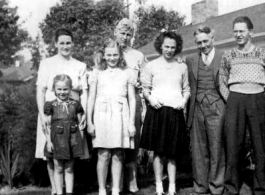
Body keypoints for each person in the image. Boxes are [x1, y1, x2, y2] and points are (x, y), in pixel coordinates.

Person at [35, 28, 89, 195]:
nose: (65, 46)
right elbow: (41, 91)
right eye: (62, 43)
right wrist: (42, 115)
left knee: (70, 152)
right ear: (56, 44)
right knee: (51, 154)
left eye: (68, 43)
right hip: (50, 113)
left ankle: (68, 190)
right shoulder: (46, 63)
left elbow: (84, 92)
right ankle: (55, 190)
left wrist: (84, 114)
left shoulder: (80, 65)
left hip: (73, 114)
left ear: (72, 43)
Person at [140, 31, 190, 195]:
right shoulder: (151, 66)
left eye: (173, 47)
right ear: (160, 46)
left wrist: (183, 101)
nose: (169, 50)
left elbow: (186, 89)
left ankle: (172, 187)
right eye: (166, 46)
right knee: (158, 152)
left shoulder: (181, 66)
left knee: (172, 152)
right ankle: (159, 186)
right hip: (157, 111)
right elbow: (145, 89)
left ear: (177, 48)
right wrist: (151, 99)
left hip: (174, 111)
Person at [219, 16, 265, 195]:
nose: (238, 34)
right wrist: (230, 98)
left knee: (260, 146)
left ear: (251, 32)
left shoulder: (262, 53)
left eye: (242, 31)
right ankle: (231, 187)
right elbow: (222, 79)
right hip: (235, 100)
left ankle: (261, 188)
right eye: (235, 31)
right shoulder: (228, 55)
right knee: (233, 144)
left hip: (258, 99)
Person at [87, 39, 136, 195]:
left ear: (120, 55)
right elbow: (91, 98)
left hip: (121, 115)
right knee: (103, 154)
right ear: (104, 55)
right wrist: (89, 121)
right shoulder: (97, 72)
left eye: (115, 55)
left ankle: (115, 189)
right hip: (102, 115)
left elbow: (132, 99)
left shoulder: (127, 72)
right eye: (109, 55)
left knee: (118, 154)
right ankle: (102, 189)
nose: (112, 58)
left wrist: (131, 123)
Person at [185, 26, 226, 195]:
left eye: (205, 41)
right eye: (199, 42)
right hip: (197, 108)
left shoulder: (224, 56)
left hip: (218, 106)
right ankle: (200, 185)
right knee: (199, 148)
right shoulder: (190, 59)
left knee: (217, 147)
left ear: (212, 38)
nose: (203, 45)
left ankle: (216, 186)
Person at [114, 18, 145, 193]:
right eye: (122, 33)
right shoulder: (109, 52)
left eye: (128, 34)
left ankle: (132, 179)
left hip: (133, 100)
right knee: (114, 141)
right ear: (115, 33)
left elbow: (147, 78)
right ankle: (115, 181)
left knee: (133, 139)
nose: (125, 37)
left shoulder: (138, 56)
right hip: (113, 102)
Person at [44, 74, 85, 195]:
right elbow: (47, 125)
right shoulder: (50, 105)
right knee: (58, 168)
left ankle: (69, 192)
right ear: (54, 89)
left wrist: (80, 140)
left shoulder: (75, 104)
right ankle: (59, 192)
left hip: (72, 139)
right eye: (59, 89)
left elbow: (80, 124)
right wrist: (49, 141)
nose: (62, 92)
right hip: (57, 140)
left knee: (69, 168)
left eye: (65, 89)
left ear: (70, 88)